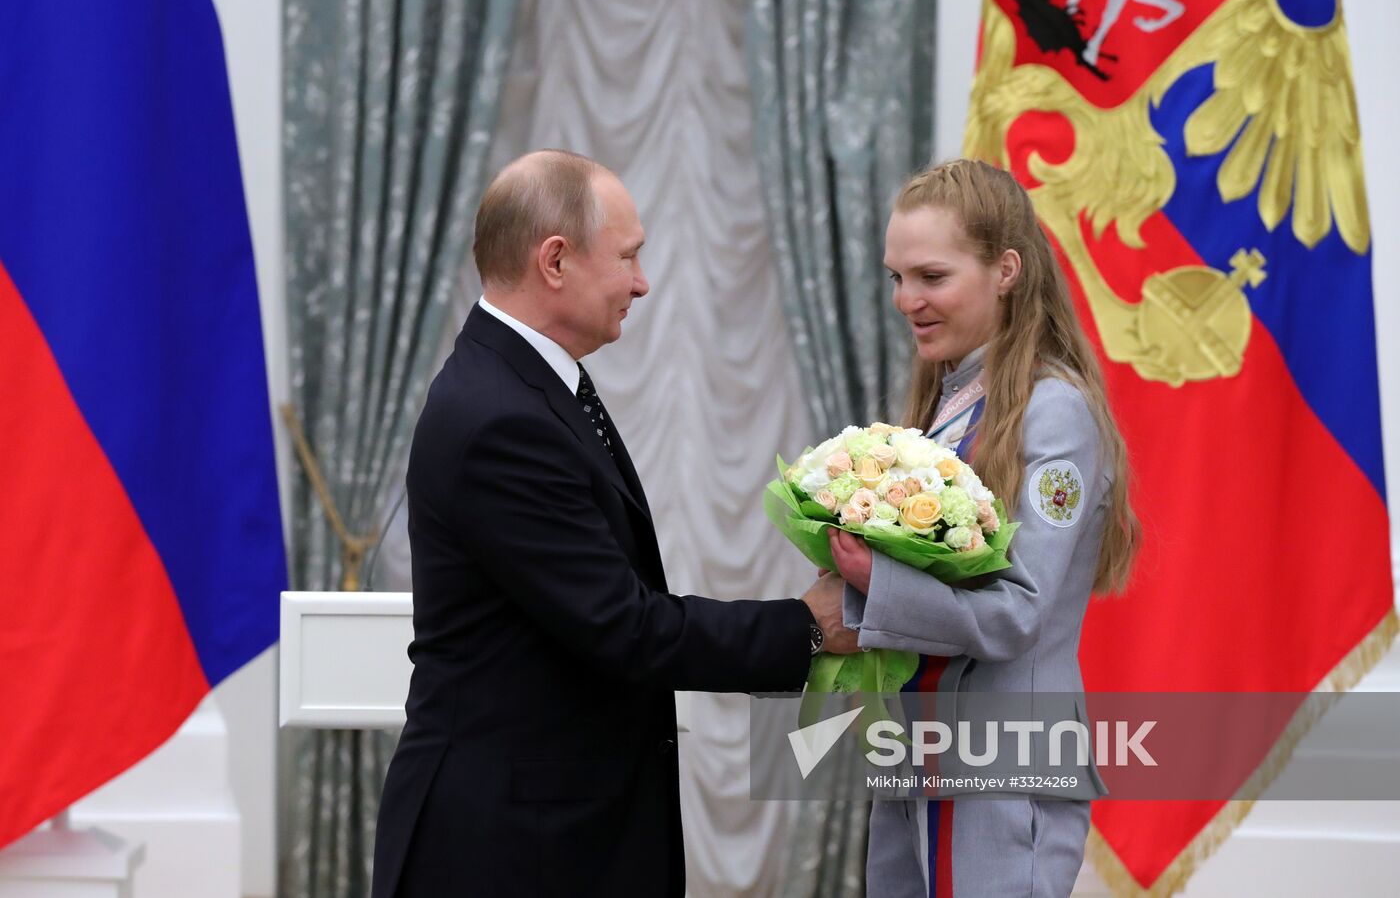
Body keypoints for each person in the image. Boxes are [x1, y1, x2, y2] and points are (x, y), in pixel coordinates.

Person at [370, 149, 856, 898]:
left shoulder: (523, 384)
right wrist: (807, 624)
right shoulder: (498, 417)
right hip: (511, 850)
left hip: (548, 828)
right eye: (628, 257)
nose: (642, 281)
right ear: (555, 260)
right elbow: (624, 629)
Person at [822, 159, 1140, 897]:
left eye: (931, 277)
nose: (908, 300)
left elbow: (1019, 613)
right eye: (896, 278)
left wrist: (878, 584)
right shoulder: (949, 402)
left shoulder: (1051, 409)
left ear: (1005, 269)